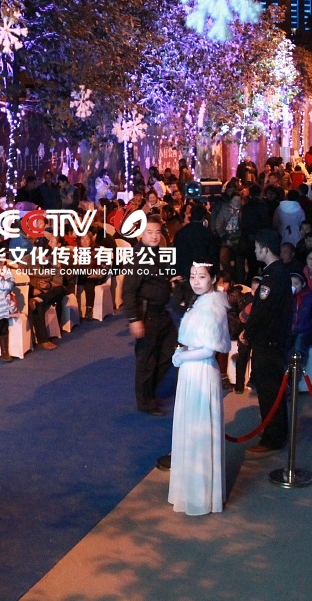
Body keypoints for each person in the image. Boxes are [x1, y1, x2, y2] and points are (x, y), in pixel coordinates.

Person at [166, 261, 231, 516]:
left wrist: (182, 357)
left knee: (199, 430)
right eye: (193, 276)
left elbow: (209, 349)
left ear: (212, 279)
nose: (195, 281)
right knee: (190, 428)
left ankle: (200, 495)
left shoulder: (213, 307)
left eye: (201, 276)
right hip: (191, 370)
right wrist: (182, 353)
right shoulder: (201, 302)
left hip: (201, 371)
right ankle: (188, 492)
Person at [241, 228, 292, 456]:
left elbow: (261, 311)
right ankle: (278, 433)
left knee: (269, 391)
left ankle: (272, 439)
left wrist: (247, 332)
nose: (254, 251)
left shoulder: (272, 277)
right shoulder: (280, 273)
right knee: (273, 390)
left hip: (268, 341)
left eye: (257, 247)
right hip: (275, 340)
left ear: (265, 249)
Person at [122, 217, 180, 416]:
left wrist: (168, 281)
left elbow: (155, 279)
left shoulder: (156, 252)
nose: (155, 236)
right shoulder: (137, 257)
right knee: (146, 360)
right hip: (146, 315)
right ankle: (145, 401)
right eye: (150, 232)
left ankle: (151, 390)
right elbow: (128, 291)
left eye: (157, 232)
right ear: (141, 234)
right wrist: (134, 319)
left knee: (170, 351)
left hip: (162, 313)